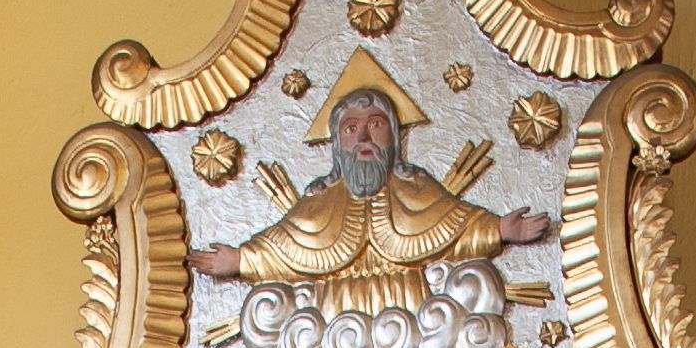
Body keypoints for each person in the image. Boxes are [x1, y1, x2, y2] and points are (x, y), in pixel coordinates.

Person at [189, 84, 551, 309]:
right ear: (337, 143)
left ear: (394, 136)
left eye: (375, 125)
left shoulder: (417, 187)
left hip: (415, 315)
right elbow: (285, 248)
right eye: (351, 128)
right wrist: (240, 260)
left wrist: (500, 230)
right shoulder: (319, 199)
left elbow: (455, 228)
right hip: (335, 322)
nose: (363, 137)